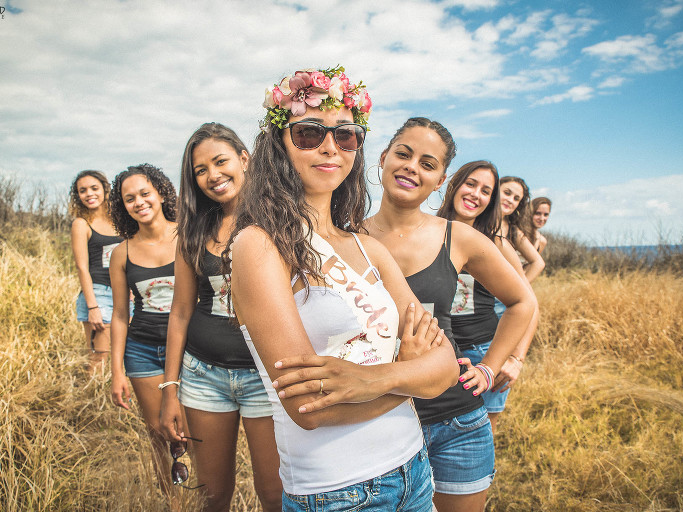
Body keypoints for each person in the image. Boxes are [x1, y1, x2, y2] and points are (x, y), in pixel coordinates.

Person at [228, 67, 469, 512]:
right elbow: (310, 409)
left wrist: (376, 378)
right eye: (308, 133)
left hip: (414, 469)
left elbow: (446, 368)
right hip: (338, 492)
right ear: (278, 145)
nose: (329, 147)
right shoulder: (258, 246)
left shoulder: (368, 247)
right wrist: (412, 374)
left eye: (346, 136)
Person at [364, 118, 536, 512]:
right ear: (383, 157)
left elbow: (522, 302)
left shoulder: (457, 238)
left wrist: (491, 368)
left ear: (440, 180)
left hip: (457, 424)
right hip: (380, 424)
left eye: (428, 163)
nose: (411, 167)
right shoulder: (348, 236)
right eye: (403, 154)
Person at [159, 123, 282, 511]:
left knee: (276, 494)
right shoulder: (195, 230)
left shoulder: (278, 218)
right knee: (212, 495)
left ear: (244, 159)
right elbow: (179, 312)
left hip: (266, 376)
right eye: (200, 170)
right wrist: (170, 389)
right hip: (204, 376)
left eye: (220, 161)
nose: (213, 175)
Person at [438, 162, 540, 434]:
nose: (475, 194)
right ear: (453, 184)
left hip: (482, 352)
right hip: (436, 353)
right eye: (470, 184)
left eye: (486, 191)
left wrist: (514, 359)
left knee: (481, 436)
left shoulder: (497, 244)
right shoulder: (426, 232)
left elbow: (529, 304)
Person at [108, 164, 180, 504]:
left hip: (188, 350)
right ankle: (171, 501)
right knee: (159, 434)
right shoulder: (121, 252)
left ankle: (199, 497)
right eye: (129, 199)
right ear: (123, 206)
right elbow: (120, 315)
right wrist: (116, 371)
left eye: (144, 193)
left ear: (161, 193)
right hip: (143, 352)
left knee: (188, 432)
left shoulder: (189, 235)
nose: (139, 202)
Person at [69, 170, 122, 375]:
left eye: (94, 188)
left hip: (124, 294)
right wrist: (93, 306)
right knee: (99, 356)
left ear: (104, 189)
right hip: (99, 294)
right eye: (82, 191)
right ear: (78, 196)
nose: (89, 194)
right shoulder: (81, 224)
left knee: (124, 354)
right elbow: (82, 267)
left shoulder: (118, 220)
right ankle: (92, 401)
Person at [497, 176, 545, 284]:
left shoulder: (513, 231)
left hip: (499, 296)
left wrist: (520, 290)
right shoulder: (477, 220)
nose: (510, 200)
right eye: (507, 193)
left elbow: (538, 262)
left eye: (516, 198)